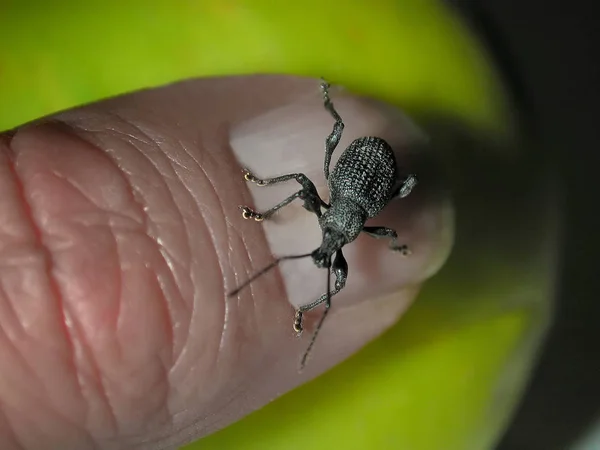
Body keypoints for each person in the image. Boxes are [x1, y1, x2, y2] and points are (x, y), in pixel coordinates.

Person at [0, 75, 451, 449]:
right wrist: (262, 200)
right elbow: (299, 185)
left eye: (333, 239)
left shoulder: (360, 222)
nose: (326, 245)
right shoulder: (336, 215)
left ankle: (345, 267)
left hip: (367, 176)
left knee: (361, 204)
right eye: (332, 237)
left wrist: (388, 246)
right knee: (300, 181)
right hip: (361, 176)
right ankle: (325, 130)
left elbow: (328, 208)